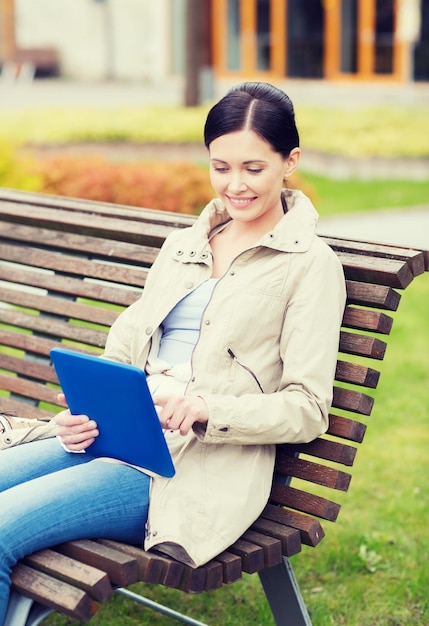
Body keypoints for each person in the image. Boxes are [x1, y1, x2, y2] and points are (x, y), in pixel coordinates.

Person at [0, 81, 346, 623]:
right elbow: (127, 344)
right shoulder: (186, 243)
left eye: (253, 168)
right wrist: (86, 412)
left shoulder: (310, 265)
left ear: (290, 161)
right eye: (220, 166)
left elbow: (307, 407)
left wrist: (209, 408)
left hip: (184, 466)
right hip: (119, 433)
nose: (235, 185)